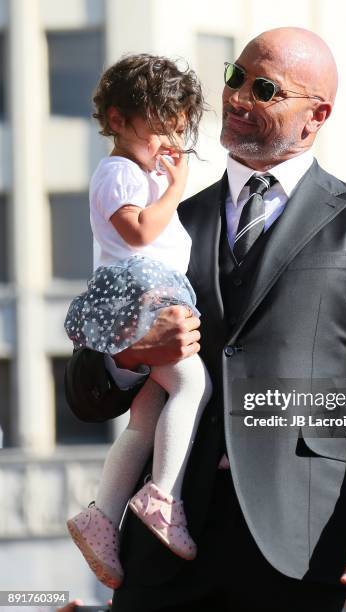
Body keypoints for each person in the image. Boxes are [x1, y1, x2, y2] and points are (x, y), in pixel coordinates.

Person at [64, 28, 346, 612]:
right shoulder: (163, 225)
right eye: (234, 76)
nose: (239, 96)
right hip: (165, 563)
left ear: (316, 115)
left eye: (264, 88)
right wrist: (132, 355)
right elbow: (85, 390)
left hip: (309, 553)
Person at [64, 54, 211, 590]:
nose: (168, 142)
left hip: (149, 290)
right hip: (139, 291)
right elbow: (138, 233)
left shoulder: (137, 172)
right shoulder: (117, 172)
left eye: (177, 128)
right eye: (158, 129)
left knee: (150, 408)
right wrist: (174, 189)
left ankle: (102, 513)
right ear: (119, 120)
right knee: (193, 382)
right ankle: (161, 495)